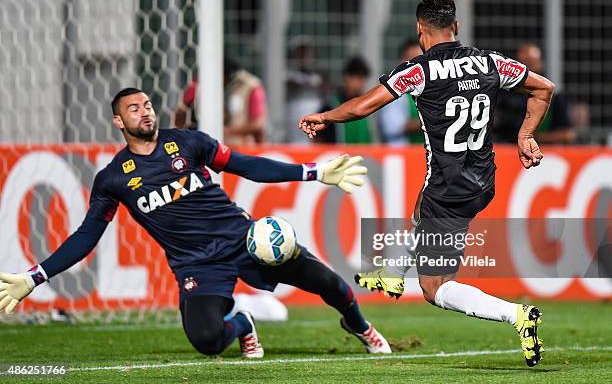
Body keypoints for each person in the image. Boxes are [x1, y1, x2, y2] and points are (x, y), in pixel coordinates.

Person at [0, 88, 391, 358]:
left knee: (332, 285)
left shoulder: (188, 143)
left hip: (244, 241)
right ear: (119, 121)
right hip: (197, 266)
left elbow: (246, 165)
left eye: (148, 104)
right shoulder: (114, 179)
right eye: (134, 108)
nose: (145, 111)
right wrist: (35, 277)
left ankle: (360, 327)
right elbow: (86, 236)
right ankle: (243, 323)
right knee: (207, 340)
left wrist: (312, 172)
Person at [299, 0, 555, 367]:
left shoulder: (419, 70)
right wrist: (525, 135)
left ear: (421, 30)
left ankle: (516, 316)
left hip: (449, 185)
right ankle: (391, 273)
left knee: (435, 288)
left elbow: (363, 105)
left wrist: (325, 116)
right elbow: (544, 88)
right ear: (457, 27)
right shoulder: (490, 62)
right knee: (422, 207)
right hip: (483, 179)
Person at [494, 43, 575, 144]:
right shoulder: (503, 93)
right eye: (522, 64)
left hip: (540, 151)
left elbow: (567, 134)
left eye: (530, 62)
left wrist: (529, 138)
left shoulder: (553, 96)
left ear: (540, 63)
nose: (525, 69)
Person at [173, 59, 268, 145]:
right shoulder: (198, 87)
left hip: (240, 147)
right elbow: (179, 118)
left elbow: (258, 125)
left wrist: (228, 131)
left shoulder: (250, 87)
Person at [316, 56, 375, 144]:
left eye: (363, 78)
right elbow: (318, 138)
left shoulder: (366, 104)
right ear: (346, 77)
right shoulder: (331, 105)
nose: (360, 83)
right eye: (357, 77)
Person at [378, 39, 425, 145]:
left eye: (420, 59)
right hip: (401, 156)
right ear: (403, 61)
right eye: (412, 59)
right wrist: (431, 119)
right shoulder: (393, 90)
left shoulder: (427, 89)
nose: (417, 65)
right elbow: (392, 127)